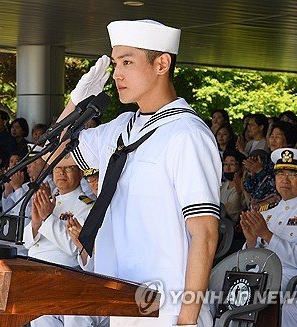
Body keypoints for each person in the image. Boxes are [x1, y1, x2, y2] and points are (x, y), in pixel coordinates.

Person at [57, 19, 221, 326]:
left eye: (128, 62)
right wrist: (76, 102)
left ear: (162, 63)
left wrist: (186, 321)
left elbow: (205, 234)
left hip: (166, 311)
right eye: (116, 62)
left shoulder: (187, 134)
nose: (117, 73)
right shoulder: (121, 127)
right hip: (123, 302)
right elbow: (55, 154)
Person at [24, 158, 95, 327]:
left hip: (63, 276)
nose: (62, 173)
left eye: (69, 168)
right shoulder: (49, 200)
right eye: (58, 169)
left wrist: (48, 218)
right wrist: (35, 223)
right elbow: (27, 242)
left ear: (79, 173)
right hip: (35, 273)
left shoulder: (87, 205)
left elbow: (74, 247)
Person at [240, 148, 297, 292]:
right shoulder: (267, 211)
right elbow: (250, 260)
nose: (285, 180)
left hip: (291, 281)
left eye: (292, 174)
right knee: (217, 291)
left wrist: (267, 235)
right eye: (280, 174)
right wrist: (250, 242)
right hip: (260, 275)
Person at [220, 149, 246, 225]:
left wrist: (238, 193)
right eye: (225, 164)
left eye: (232, 164)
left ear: (241, 168)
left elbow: (237, 213)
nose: (228, 168)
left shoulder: (244, 187)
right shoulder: (223, 186)